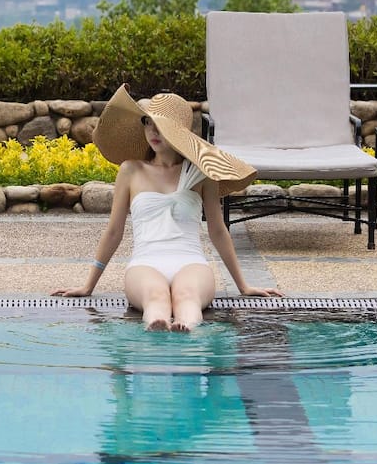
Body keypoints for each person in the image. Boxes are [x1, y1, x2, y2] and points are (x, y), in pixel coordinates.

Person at [53, 86, 280, 329]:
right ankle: (156, 327)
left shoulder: (201, 173)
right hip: (145, 264)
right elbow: (113, 231)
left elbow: (217, 230)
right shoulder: (131, 170)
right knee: (156, 298)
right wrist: (89, 285)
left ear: (178, 132)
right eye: (148, 123)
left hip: (191, 262)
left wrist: (243, 285)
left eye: (161, 125)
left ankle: (187, 329)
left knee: (188, 297)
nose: (153, 131)